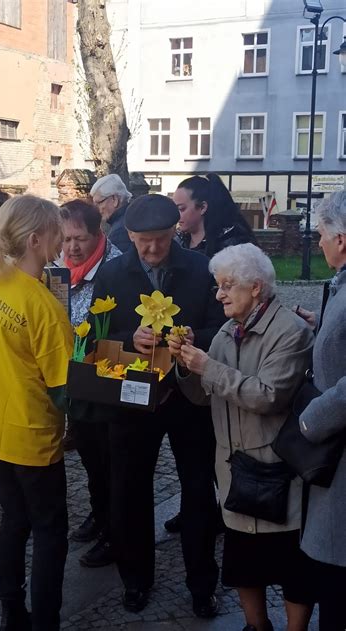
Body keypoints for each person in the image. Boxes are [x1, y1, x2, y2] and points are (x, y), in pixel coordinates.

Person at [88, 194, 225, 617]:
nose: (151, 250)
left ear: (175, 233)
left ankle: (202, 584)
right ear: (128, 235)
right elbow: (94, 337)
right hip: (132, 398)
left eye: (160, 241)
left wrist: (189, 340)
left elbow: (220, 327)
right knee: (129, 491)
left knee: (199, 492)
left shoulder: (202, 269)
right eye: (142, 241)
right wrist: (132, 339)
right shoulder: (112, 273)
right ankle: (135, 580)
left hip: (189, 397)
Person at [169, 243, 315, 631]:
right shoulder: (226, 329)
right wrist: (185, 365)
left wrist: (208, 366)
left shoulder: (290, 331)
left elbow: (268, 395)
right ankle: (256, 626)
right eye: (218, 285)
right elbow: (202, 395)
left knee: (292, 564)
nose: (218, 294)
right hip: (234, 468)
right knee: (243, 562)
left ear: (255, 287)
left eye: (227, 285)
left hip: (276, 469)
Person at [0, 195, 73, 631]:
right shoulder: (42, 305)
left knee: (14, 521)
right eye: (56, 236)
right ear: (35, 239)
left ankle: (12, 614)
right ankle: (45, 622)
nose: (62, 243)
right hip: (30, 435)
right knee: (49, 532)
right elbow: (64, 387)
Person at [166, 173, 257, 534]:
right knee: (192, 454)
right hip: (187, 359)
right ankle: (197, 507)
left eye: (182, 208)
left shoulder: (230, 246)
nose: (178, 215)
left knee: (217, 444)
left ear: (202, 208)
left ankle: (230, 508)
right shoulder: (182, 241)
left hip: (219, 354)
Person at [57, 199, 121, 567]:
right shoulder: (58, 271)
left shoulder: (115, 269)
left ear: (98, 234)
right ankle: (99, 514)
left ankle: (115, 532)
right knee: (89, 459)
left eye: (79, 238)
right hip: (74, 384)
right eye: (66, 239)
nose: (72, 247)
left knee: (110, 461)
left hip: (105, 384)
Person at [297, 191, 346, 631]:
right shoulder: (341, 282)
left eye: (321, 235)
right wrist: (321, 324)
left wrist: (313, 418)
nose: (319, 244)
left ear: (342, 239)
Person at [173, 174, 256, 257]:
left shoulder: (233, 248)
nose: (176, 214)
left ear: (202, 208)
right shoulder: (175, 243)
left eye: (181, 209)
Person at [90, 174, 132, 252]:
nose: (97, 209)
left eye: (99, 203)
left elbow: (120, 263)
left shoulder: (120, 232)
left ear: (114, 199)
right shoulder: (132, 216)